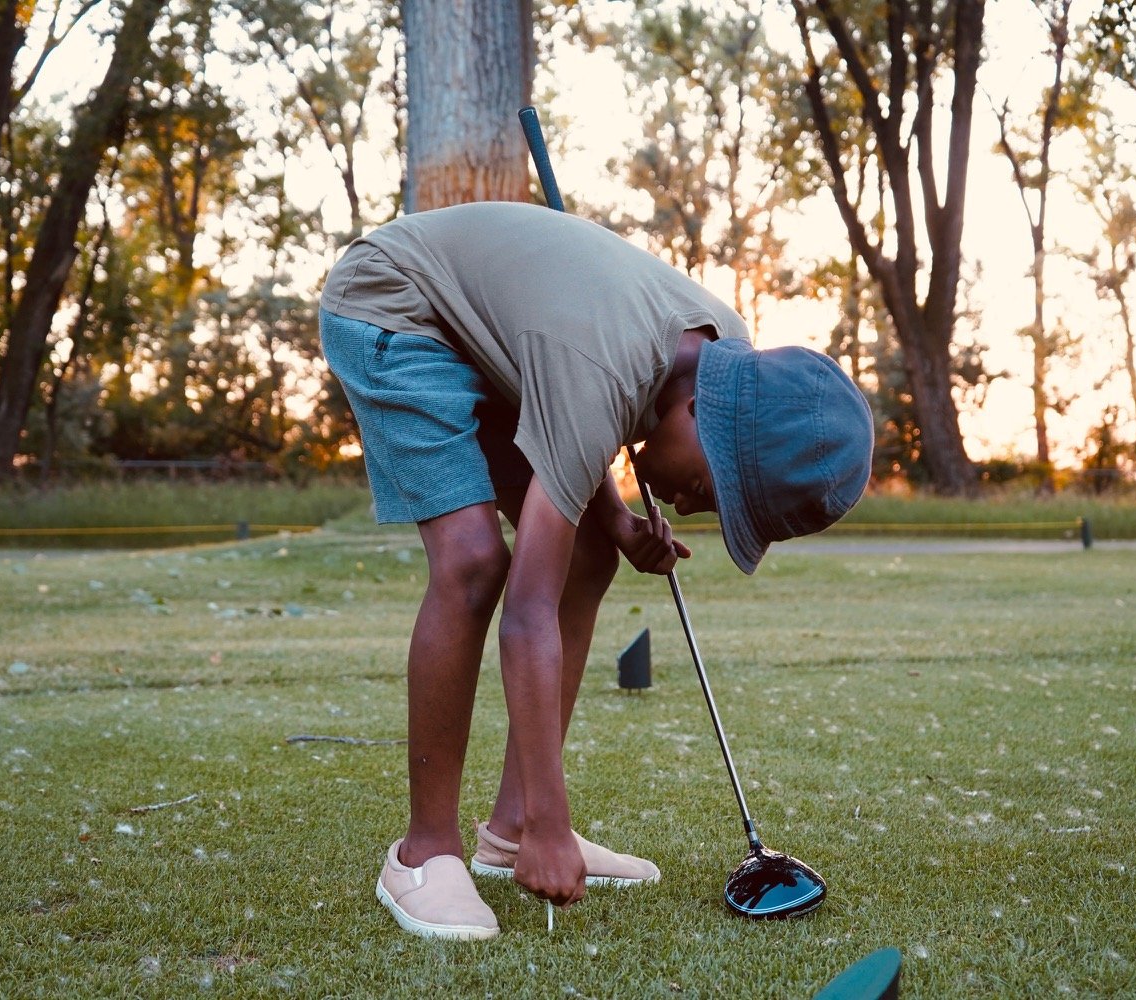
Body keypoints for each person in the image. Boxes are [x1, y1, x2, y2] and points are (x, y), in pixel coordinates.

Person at [319, 200, 873, 941]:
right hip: (399, 304)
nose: (690, 505)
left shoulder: (725, 351)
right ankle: (424, 853)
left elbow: (587, 403)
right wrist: (561, 821)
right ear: (699, 413)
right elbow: (528, 611)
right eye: (711, 492)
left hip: (520, 348)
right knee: (476, 562)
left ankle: (512, 826)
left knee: (587, 552)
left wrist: (614, 521)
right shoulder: (606, 361)